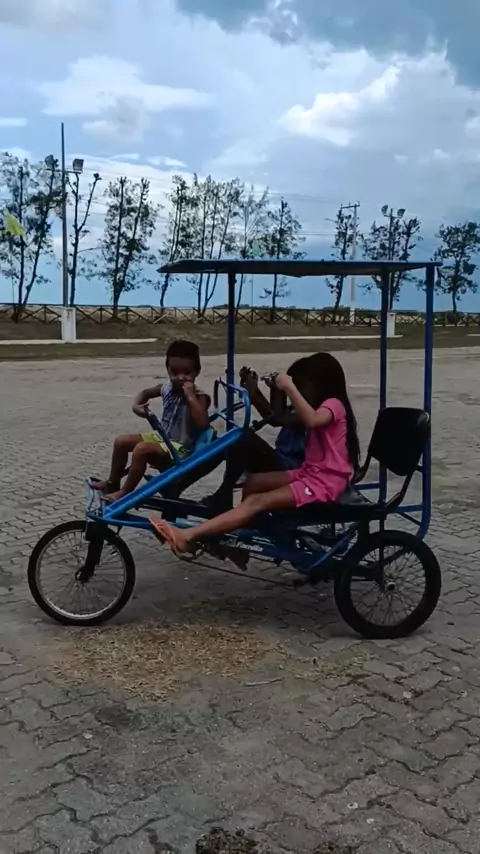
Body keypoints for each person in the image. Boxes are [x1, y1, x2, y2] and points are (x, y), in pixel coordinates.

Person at [151, 352, 360, 555]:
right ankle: (240, 539)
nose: (299, 392)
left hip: (324, 483)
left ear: (320, 385)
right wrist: (275, 389)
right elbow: (278, 414)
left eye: (302, 387)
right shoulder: (316, 406)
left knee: (256, 501)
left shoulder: (333, 405)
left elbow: (310, 419)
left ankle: (188, 536)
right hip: (310, 473)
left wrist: (288, 386)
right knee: (253, 482)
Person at [93, 340, 210, 502]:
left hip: (179, 448)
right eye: (174, 372)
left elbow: (203, 423)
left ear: (197, 371)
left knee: (142, 449)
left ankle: (125, 492)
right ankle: (112, 484)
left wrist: (190, 396)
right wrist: (137, 406)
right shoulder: (167, 388)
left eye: (187, 373)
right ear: (167, 369)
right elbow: (145, 393)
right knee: (121, 442)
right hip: (162, 437)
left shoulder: (199, 395)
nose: (180, 378)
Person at [202, 357, 309, 511]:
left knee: (243, 438)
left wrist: (279, 390)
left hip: (293, 470)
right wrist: (255, 392)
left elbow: (278, 418)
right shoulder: (299, 407)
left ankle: (224, 495)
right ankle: (224, 491)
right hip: (282, 462)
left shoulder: (312, 411)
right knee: (233, 439)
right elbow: (272, 415)